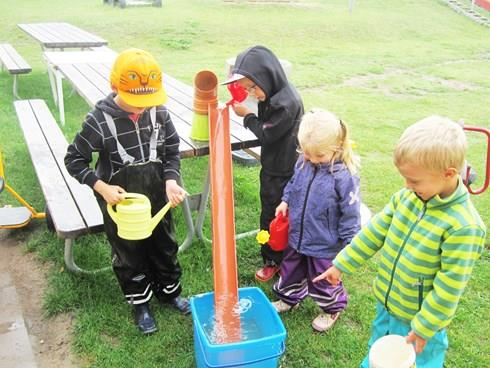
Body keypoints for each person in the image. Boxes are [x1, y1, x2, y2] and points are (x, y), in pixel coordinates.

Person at [313, 116, 486, 367]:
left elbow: (449, 288)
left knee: (415, 362)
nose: (406, 185)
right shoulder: (407, 198)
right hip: (389, 305)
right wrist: (342, 264)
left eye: (414, 181)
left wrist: (425, 326)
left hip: (420, 323)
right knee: (380, 350)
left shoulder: (464, 227)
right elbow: (374, 233)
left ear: (448, 174)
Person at [65, 48, 190, 335]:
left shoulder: (158, 111)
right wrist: (102, 187)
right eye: (136, 102)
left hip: (157, 199)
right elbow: (74, 159)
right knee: (129, 253)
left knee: (164, 246)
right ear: (114, 87)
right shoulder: (98, 120)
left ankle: (169, 293)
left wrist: (171, 180)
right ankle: (141, 304)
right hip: (120, 205)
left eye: (147, 102)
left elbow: (172, 151)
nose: (142, 108)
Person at [270, 109, 361, 332]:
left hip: (325, 243)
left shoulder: (344, 177)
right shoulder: (304, 161)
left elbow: (351, 213)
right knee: (290, 269)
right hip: (298, 235)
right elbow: (294, 184)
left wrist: (349, 244)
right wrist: (285, 201)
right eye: (307, 153)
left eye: (319, 156)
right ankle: (289, 298)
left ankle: (332, 308)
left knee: (323, 279)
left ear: (337, 147)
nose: (312, 159)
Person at [223, 45, 304, 282]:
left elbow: (267, 134)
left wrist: (247, 116)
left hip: (282, 171)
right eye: (249, 89)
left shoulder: (285, 104)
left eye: (253, 88)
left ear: (267, 77)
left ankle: (275, 260)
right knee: (273, 214)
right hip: (274, 165)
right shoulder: (274, 92)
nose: (253, 94)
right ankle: (276, 258)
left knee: (275, 216)